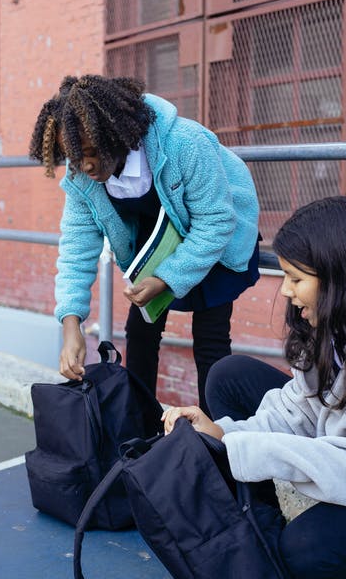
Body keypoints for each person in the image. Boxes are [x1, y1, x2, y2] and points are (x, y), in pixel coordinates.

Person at [163, 195, 346, 579]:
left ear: (340, 276)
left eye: (296, 278)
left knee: (306, 555)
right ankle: (258, 528)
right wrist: (223, 434)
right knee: (229, 374)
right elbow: (298, 407)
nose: (287, 292)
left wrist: (258, 453)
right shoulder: (336, 320)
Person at [29, 74, 260, 414]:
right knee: (139, 331)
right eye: (75, 156)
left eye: (93, 152)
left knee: (210, 338)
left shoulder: (184, 143)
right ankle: (141, 427)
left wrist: (166, 278)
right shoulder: (82, 178)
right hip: (157, 239)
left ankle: (216, 437)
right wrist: (71, 325)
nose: (85, 165)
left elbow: (216, 221)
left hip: (216, 235)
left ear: (116, 135)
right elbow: (76, 250)